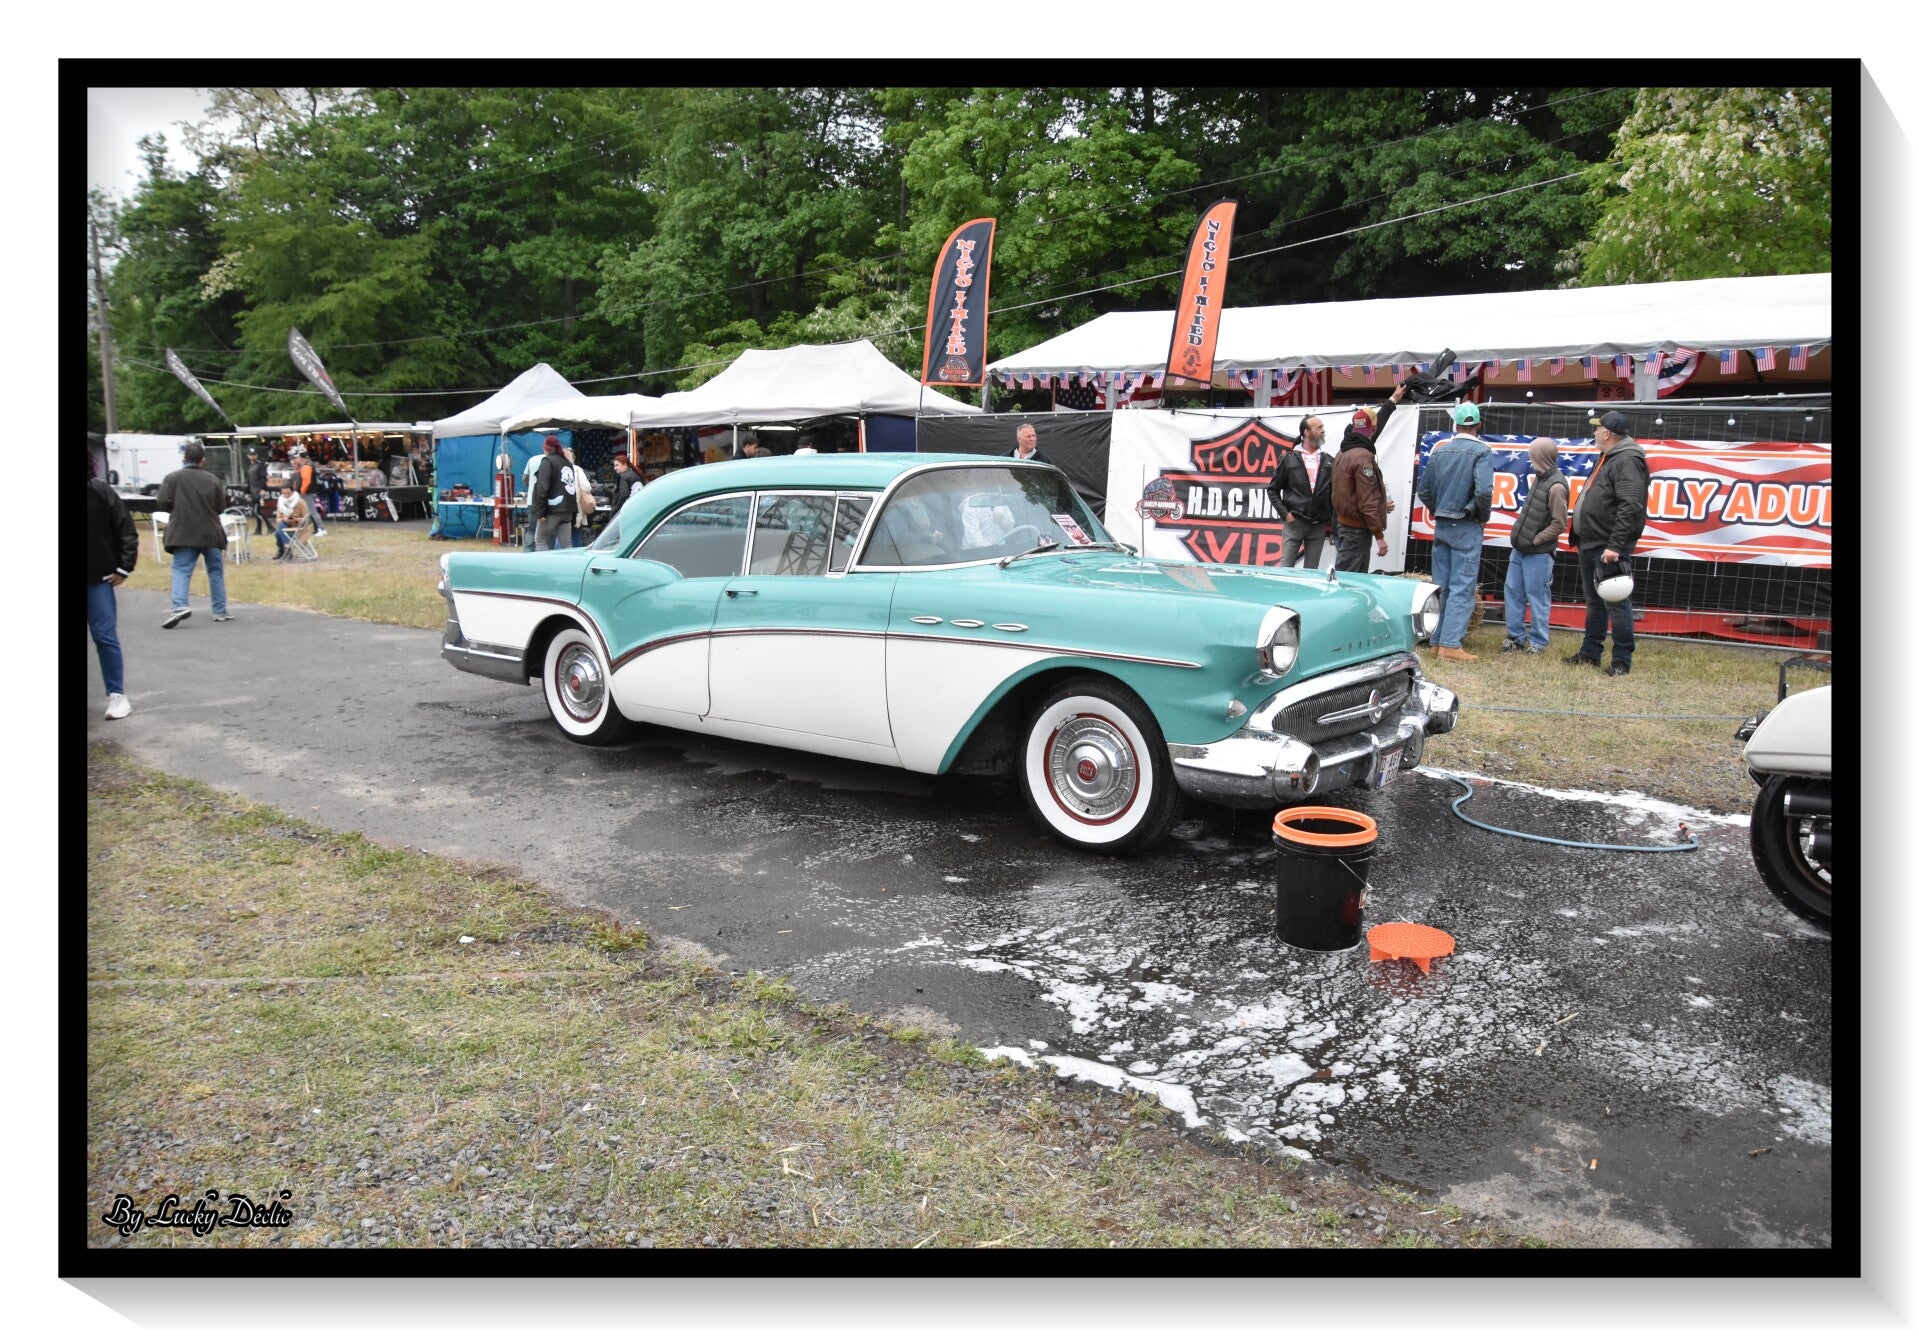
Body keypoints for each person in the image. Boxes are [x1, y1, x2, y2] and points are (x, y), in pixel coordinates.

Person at [1567, 409, 1650, 677]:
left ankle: (1622, 660)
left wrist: (1615, 545)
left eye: (1597, 428)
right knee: (1594, 601)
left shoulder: (1627, 460)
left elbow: (1631, 506)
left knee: (1616, 601)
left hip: (1607, 544)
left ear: (1607, 433)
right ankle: (1590, 652)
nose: (1594, 432)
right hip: (1592, 540)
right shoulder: (1609, 456)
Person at [1414, 400, 1494, 662]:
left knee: (1442, 586)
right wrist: (1481, 516)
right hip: (1466, 524)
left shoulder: (1440, 452)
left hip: (1443, 524)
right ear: (1478, 424)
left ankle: (1437, 641)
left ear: (1456, 424)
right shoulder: (1482, 451)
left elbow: (1424, 490)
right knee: (1462, 586)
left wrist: (1440, 510)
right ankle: (1449, 644)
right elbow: (1484, 491)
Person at [1502, 437, 1569, 655]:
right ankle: (1515, 638)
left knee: (1537, 597)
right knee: (1513, 592)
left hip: (1539, 553)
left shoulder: (1556, 486)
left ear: (1539, 456)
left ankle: (1538, 642)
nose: (1529, 457)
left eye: (1532, 453)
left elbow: (1560, 523)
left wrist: (1536, 540)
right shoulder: (1541, 478)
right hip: (1520, 549)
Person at [154, 440, 232, 627]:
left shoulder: (172, 478)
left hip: (183, 531)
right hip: (210, 532)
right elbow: (220, 507)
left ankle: (180, 606)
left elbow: (162, 501)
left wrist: (177, 509)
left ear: (184, 458)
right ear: (202, 460)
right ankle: (219, 610)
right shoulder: (213, 480)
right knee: (215, 571)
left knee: (181, 569)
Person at [1330, 385, 1407, 572]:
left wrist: (1393, 399)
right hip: (1356, 529)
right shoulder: (1364, 457)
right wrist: (1379, 536)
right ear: (1373, 428)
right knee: (1346, 579)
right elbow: (1366, 501)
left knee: (1352, 578)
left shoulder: (1343, 452)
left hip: (1343, 524)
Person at [87, 460, 140, 719]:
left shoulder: (100, 491)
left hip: (98, 579)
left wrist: (124, 567)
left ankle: (117, 695)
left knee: (105, 637)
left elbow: (125, 528)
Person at [1267, 413, 1335, 568]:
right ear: (1307, 432)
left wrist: (1330, 520)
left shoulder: (1329, 460)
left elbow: (1334, 493)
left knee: (1312, 570)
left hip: (1318, 524)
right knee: (1286, 568)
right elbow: (1272, 490)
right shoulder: (1289, 459)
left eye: (1323, 427)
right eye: (1319, 427)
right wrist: (1285, 514)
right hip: (1295, 522)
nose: (1323, 430)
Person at [527, 434, 577, 551]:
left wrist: (541, 512)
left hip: (552, 509)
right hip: (568, 510)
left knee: (541, 540)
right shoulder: (567, 462)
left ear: (546, 448)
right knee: (566, 544)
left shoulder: (547, 461)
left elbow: (542, 488)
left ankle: (544, 563)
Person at [273, 483, 312, 559]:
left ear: (293, 492)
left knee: (279, 532)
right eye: (284, 493)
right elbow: (278, 519)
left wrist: (294, 519)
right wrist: (284, 519)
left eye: (288, 493)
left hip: (299, 528)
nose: (286, 495)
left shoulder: (300, 502)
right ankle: (286, 549)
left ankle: (284, 550)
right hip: (285, 527)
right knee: (280, 528)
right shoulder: (280, 503)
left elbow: (307, 518)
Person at [294, 448, 327, 536]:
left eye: (298, 457)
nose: (297, 459)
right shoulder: (308, 465)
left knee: (312, 511)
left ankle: (322, 529)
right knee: (310, 511)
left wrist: (302, 490)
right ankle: (318, 529)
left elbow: (306, 480)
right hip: (309, 491)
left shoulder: (306, 467)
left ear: (302, 458)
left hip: (307, 492)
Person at [246, 448, 270, 535]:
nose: (253, 456)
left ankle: (269, 527)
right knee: (257, 511)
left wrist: (263, 489)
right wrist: (248, 492)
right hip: (253, 491)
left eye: (254, 454)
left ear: (256, 455)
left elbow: (263, 478)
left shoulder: (260, 465)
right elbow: (249, 480)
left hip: (258, 491)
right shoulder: (250, 466)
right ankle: (259, 530)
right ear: (248, 456)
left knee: (256, 511)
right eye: (251, 455)